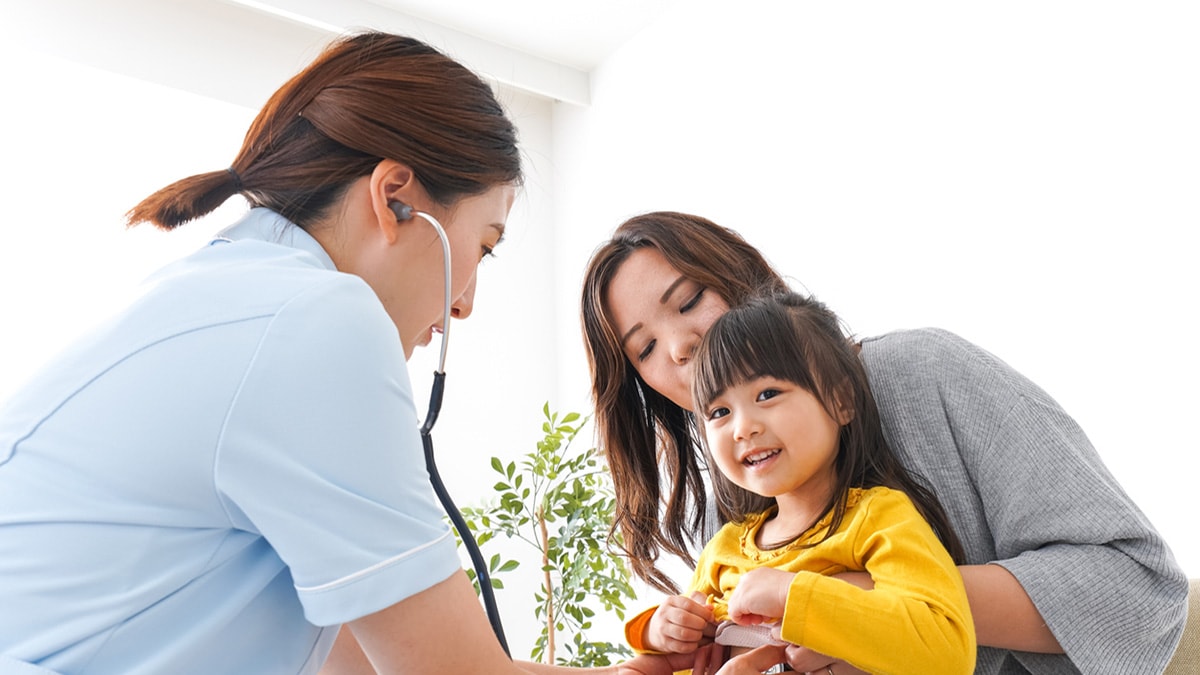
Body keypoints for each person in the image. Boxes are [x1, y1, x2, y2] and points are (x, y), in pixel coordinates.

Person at [0, 32, 753, 675]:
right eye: (482, 248)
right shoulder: (313, 321)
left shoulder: (229, 295)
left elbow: (375, 661)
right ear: (395, 199)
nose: (464, 305)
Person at [580, 211, 1189, 674]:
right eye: (645, 350)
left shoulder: (925, 374)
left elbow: (1136, 589)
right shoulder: (736, 496)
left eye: (688, 302)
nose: (680, 347)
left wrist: (848, 601)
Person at [628, 292, 975, 674]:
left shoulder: (879, 518)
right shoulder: (724, 548)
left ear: (841, 399)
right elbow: (690, 657)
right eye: (720, 412)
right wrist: (659, 631)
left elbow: (948, 649)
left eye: (768, 394)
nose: (743, 428)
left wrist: (791, 594)